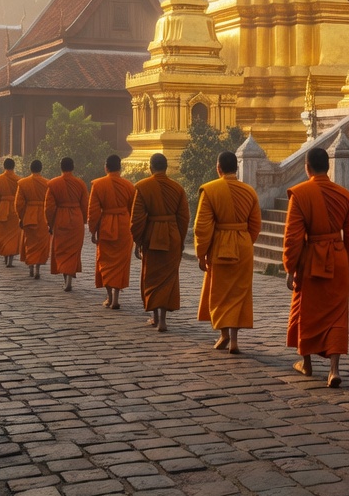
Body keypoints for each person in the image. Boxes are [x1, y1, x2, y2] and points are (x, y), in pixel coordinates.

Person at [283, 146, 349, 388]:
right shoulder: (344, 194)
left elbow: (292, 237)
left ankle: (307, 363)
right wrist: (343, 258)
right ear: (328, 167)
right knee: (337, 315)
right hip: (337, 256)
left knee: (305, 310)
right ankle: (334, 370)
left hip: (311, 260)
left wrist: (290, 267)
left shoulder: (300, 193)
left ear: (307, 168)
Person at [195, 151, 261, 354]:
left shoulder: (210, 190)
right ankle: (234, 340)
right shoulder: (249, 191)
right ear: (237, 168)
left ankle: (223, 334)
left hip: (221, 244)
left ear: (218, 168)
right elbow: (256, 224)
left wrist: (201, 252)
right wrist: (245, 241)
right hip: (243, 243)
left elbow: (202, 226)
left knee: (221, 292)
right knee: (239, 293)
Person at [131, 153, 189, 332]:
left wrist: (138, 240)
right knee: (168, 279)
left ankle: (155, 318)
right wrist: (180, 239)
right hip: (172, 235)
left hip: (152, 236)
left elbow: (137, 219)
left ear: (150, 167)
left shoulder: (142, 186)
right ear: (166, 168)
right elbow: (184, 218)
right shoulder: (177, 188)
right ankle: (163, 319)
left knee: (152, 277)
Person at [88, 154, 136, 310]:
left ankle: (109, 297)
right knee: (120, 263)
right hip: (124, 226)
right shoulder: (129, 186)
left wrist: (93, 230)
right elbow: (134, 210)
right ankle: (116, 297)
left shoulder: (98, 184)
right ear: (120, 168)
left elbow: (93, 210)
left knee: (106, 261)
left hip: (106, 225)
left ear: (106, 167)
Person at [46, 157, 88, 291]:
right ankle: (69, 277)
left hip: (61, 218)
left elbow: (49, 207)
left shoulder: (53, 183)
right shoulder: (80, 183)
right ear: (73, 167)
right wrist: (84, 220)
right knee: (73, 250)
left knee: (62, 249)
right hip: (76, 218)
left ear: (61, 167)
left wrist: (50, 223)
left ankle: (66, 279)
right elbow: (85, 205)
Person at [15, 159, 51, 278]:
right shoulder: (47, 183)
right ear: (41, 169)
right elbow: (51, 202)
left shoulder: (23, 183)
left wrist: (21, 217)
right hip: (43, 215)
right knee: (41, 243)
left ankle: (30, 266)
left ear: (30, 169)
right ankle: (37, 269)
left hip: (29, 214)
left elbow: (19, 203)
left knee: (29, 242)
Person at [0, 158, 22, 267]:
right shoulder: (19, 180)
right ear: (14, 167)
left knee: (3, 235)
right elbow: (21, 198)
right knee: (13, 235)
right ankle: (10, 259)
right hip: (14, 210)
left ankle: (5, 256)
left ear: (4, 167)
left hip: (3, 208)